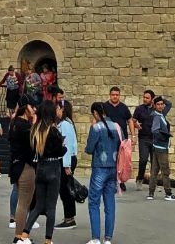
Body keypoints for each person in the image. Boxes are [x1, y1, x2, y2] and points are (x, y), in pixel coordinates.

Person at [20, 99, 66, 244]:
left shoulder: (35, 129)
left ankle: (24, 235)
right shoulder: (53, 130)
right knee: (51, 207)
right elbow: (59, 151)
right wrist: (63, 146)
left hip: (40, 167)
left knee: (38, 205)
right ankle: (48, 240)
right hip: (53, 168)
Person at [85, 101, 122, 244]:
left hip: (99, 167)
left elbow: (89, 149)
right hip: (113, 168)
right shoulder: (117, 126)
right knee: (109, 203)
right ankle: (108, 238)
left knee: (94, 202)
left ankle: (95, 238)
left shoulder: (96, 128)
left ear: (95, 113)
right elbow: (122, 145)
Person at [7, 101, 38, 234]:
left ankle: (20, 235)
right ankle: (20, 236)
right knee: (24, 203)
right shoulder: (24, 126)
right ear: (26, 108)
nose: (34, 110)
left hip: (16, 164)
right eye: (32, 107)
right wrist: (34, 123)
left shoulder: (14, 123)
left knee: (22, 202)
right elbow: (34, 144)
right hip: (25, 165)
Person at [147, 96, 175, 200]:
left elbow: (169, 104)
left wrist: (161, 98)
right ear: (154, 106)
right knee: (165, 171)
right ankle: (168, 193)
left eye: (161, 104)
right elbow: (154, 130)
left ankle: (151, 193)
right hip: (161, 147)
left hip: (157, 146)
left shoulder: (161, 114)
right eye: (158, 104)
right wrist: (164, 137)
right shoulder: (157, 116)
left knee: (154, 171)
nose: (161, 106)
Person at [103, 87, 133, 191]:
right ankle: (110, 182)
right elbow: (99, 120)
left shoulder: (124, 107)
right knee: (110, 159)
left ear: (119, 95)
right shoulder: (105, 106)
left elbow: (130, 120)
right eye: (113, 94)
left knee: (121, 161)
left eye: (117, 95)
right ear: (110, 95)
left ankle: (120, 182)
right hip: (108, 138)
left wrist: (133, 135)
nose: (115, 96)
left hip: (122, 139)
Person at [56, 100, 80, 229]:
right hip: (69, 158)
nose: (56, 111)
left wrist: (66, 165)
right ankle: (69, 216)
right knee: (66, 187)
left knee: (65, 189)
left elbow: (66, 145)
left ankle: (69, 218)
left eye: (57, 108)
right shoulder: (67, 123)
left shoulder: (65, 124)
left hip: (67, 159)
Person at [133, 90, 155, 185]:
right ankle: (140, 179)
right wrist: (136, 124)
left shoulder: (156, 109)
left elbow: (168, 104)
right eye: (144, 97)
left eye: (147, 98)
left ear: (152, 99)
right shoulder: (139, 109)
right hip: (143, 138)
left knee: (155, 162)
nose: (145, 99)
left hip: (155, 138)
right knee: (143, 160)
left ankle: (153, 182)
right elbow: (132, 121)